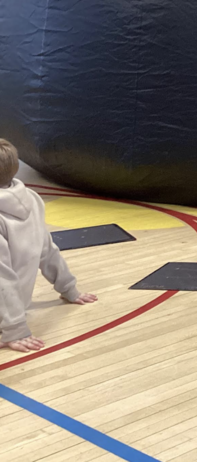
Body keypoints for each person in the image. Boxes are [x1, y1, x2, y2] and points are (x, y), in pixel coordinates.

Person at [0, 139, 96, 353]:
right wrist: (69, 288)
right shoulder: (31, 198)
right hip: (13, 309)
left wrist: (15, 330)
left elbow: (1, 278)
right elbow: (47, 250)